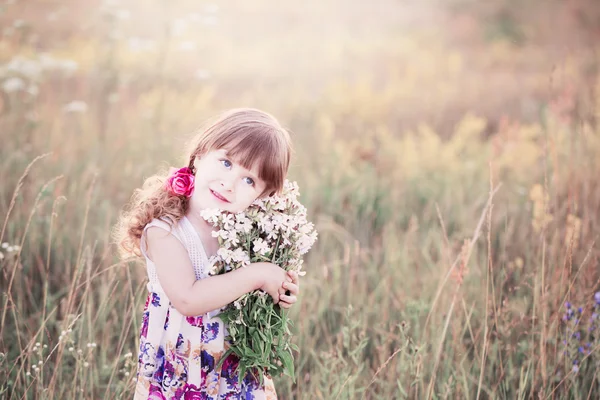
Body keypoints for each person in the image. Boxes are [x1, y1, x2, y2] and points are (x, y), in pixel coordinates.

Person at [114, 108, 301, 399]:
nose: (230, 183)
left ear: (262, 197)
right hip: (181, 366)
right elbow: (188, 299)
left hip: (233, 364)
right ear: (199, 156)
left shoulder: (248, 233)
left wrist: (279, 287)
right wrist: (258, 274)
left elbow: (256, 288)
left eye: (249, 180)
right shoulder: (165, 231)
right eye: (225, 162)